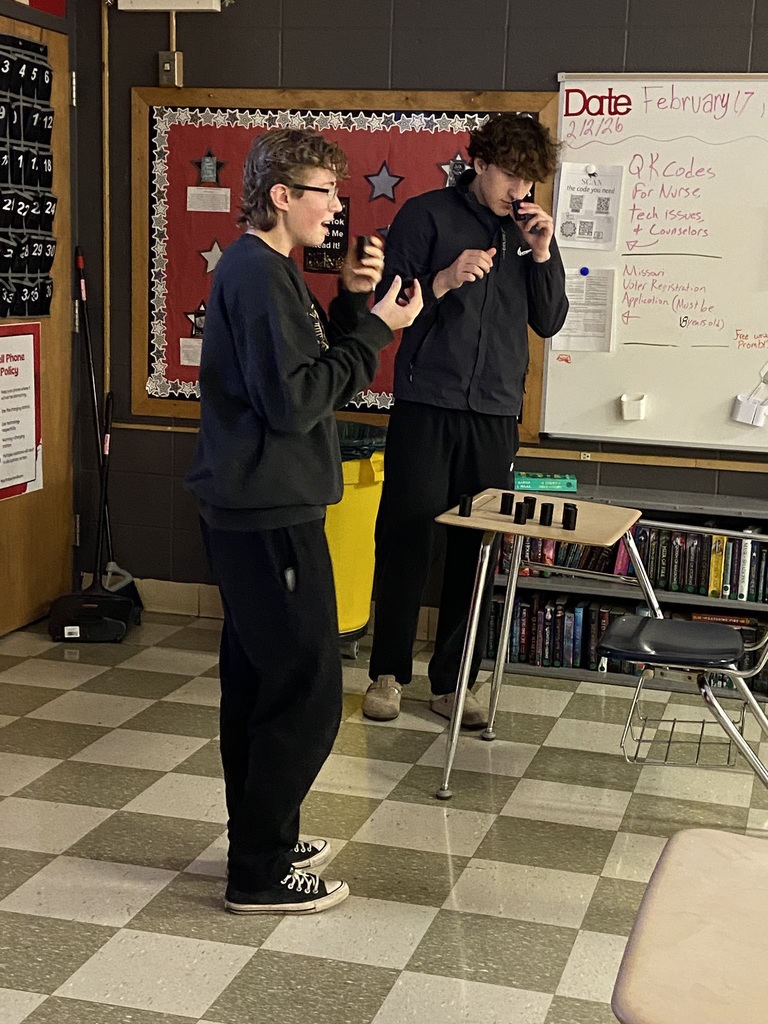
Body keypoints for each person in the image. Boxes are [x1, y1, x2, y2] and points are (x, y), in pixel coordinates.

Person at [185, 128, 422, 915]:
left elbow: (303, 369)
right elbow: (297, 401)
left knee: (259, 683)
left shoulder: (271, 271)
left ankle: (266, 836)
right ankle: (257, 871)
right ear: (282, 196)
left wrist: (354, 304)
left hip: (259, 506)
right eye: (323, 192)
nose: (335, 209)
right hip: (267, 512)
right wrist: (380, 330)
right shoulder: (257, 274)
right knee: (310, 690)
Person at [363, 113, 568, 726]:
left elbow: (550, 320)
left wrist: (543, 253)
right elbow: (387, 307)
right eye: (510, 175)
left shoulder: (527, 232)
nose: (520, 191)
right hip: (428, 402)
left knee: (475, 545)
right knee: (406, 535)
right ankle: (387, 674)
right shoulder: (426, 215)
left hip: (495, 412)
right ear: (478, 163)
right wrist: (444, 280)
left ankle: (454, 682)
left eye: (530, 180)